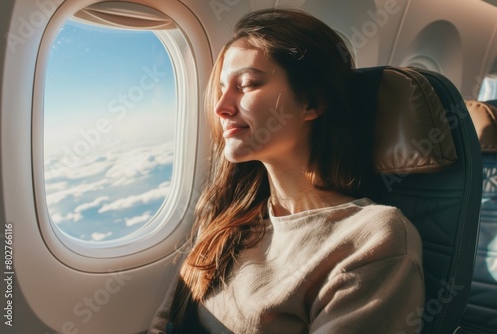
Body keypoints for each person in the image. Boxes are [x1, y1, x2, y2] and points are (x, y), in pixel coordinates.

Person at [149, 8, 424, 334]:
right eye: (222, 88)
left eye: (247, 84)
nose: (222, 107)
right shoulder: (224, 216)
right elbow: (164, 326)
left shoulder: (373, 238)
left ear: (311, 103)